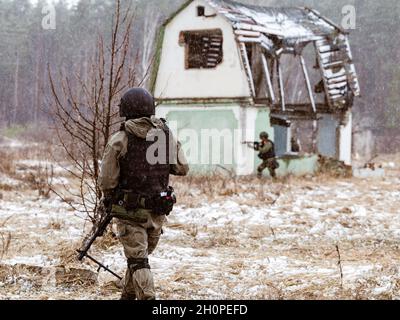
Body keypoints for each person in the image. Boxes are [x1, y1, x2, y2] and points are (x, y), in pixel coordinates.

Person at [98, 88, 189, 300]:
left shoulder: (120, 139)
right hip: (158, 211)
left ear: (126, 109)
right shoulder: (165, 136)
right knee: (138, 260)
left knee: (138, 262)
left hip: (130, 212)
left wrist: (110, 198)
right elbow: (182, 168)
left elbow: (107, 181)